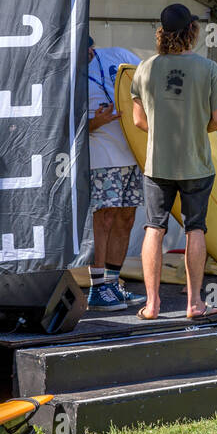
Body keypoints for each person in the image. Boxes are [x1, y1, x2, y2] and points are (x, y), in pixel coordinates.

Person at [129, 4, 217, 320]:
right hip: (196, 163)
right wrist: (196, 128)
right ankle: (194, 303)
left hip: (157, 165)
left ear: (162, 32)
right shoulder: (209, 69)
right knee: (195, 229)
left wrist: (162, 127)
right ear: (192, 31)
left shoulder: (145, 68)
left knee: (153, 228)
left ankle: (153, 304)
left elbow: (138, 121)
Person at [85, 36, 146, 311]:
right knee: (106, 216)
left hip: (133, 152)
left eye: (88, 48)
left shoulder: (118, 54)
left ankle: (113, 284)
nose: (86, 53)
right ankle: (97, 288)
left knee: (127, 217)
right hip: (102, 155)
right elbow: (62, 127)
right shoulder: (66, 73)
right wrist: (97, 121)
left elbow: (147, 82)